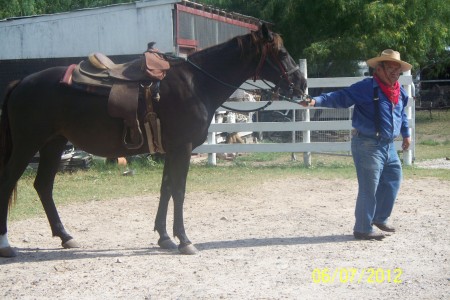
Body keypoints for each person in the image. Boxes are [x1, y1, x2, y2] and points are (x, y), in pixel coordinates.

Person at [300, 49, 412, 240]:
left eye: (397, 69)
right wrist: (314, 101)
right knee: (369, 187)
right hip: (367, 143)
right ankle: (362, 228)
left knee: (393, 178)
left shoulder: (398, 91)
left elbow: (401, 115)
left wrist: (406, 134)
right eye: (391, 68)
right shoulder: (366, 87)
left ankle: (379, 218)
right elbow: (339, 97)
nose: (395, 72)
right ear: (379, 69)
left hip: (387, 145)